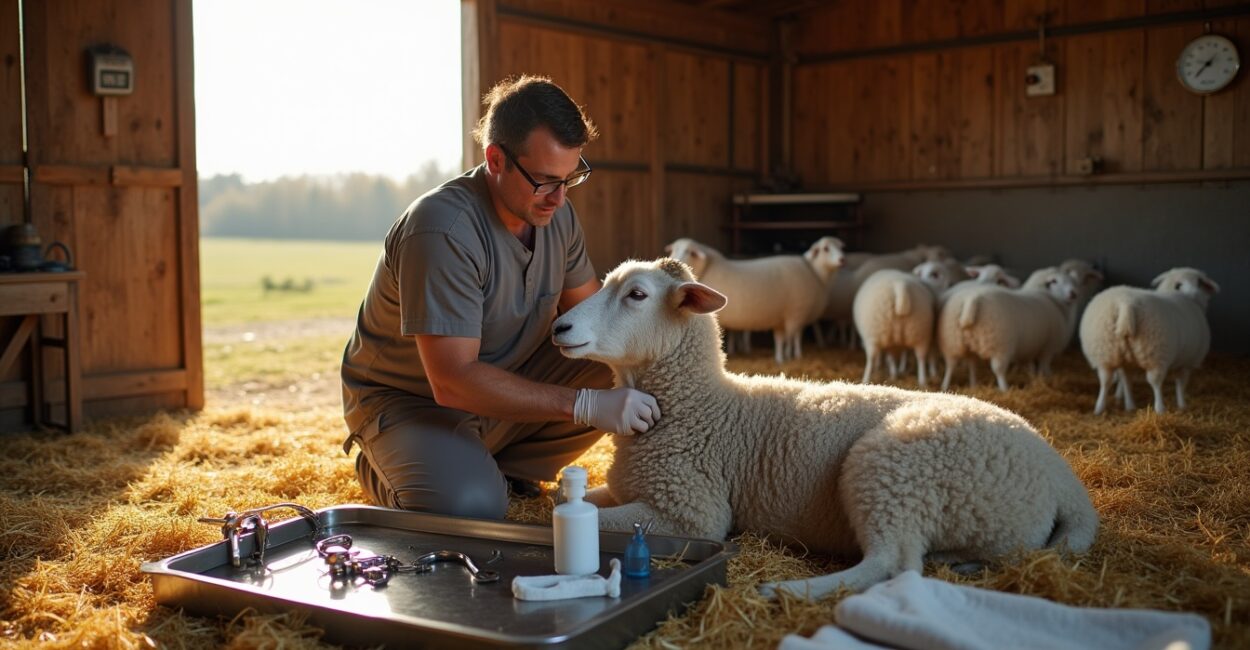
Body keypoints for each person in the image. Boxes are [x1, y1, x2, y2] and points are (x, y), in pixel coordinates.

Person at [339, 75, 661, 520]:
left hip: (506, 384)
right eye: (544, 180)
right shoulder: (442, 230)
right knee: (470, 508)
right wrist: (584, 405)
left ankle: (498, 467)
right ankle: (391, 466)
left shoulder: (555, 213)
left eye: (570, 178)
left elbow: (600, 322)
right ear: (495, 159)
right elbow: (451, 380)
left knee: (633, 360)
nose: (559, 198)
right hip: (416, 403)